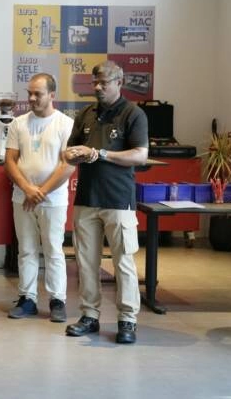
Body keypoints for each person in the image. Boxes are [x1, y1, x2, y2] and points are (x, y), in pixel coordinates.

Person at [63, 60, 148, 344]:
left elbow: (140, 155)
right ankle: (89, 316)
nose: (98, 87)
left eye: (104, 82)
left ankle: (127, 320)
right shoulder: (86, 114)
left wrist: (99, 154)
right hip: (86, 199)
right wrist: (72, 154)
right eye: (95, 82)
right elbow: (69, 152)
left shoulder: (133, 113)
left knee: (123, 262)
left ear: (119, 82)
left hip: (118, 201)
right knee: (87, 263)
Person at [4, 73, 74, 322]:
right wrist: (27, 189)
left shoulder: (66, 124)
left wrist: (40, 192)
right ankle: (27, 299)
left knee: (54, 249)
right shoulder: (18, 123)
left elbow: (68, 165)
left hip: (53, 200)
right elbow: (10, 160)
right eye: (30, 93)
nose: (32, 98)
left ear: (52, 95)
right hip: (22, 198)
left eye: (38, 94)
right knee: (26, 250)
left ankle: (57, 300)